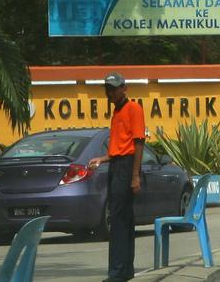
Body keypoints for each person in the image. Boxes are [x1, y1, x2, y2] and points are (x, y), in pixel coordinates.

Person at [88, 72, 145, 282]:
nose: (110, 93)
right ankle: (125, 270)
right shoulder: (116, 112)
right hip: (117, 164)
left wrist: (135, 175)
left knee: (119, 219)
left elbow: (138, 143)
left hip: (126, 167)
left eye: (114, 88)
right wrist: (103, 159)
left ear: (124, 88)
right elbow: (119, 147)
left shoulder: (133, 108)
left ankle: (117, 272)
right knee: (123, 218)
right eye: (108, 89)